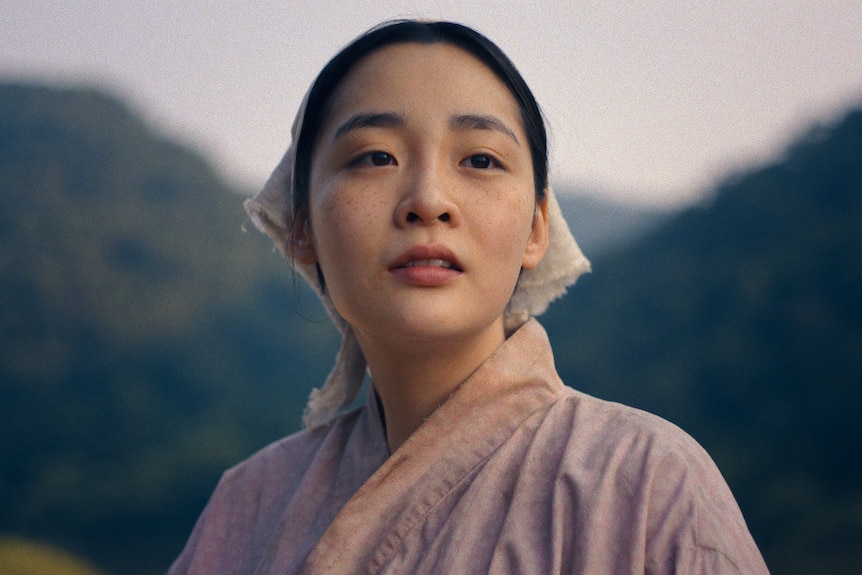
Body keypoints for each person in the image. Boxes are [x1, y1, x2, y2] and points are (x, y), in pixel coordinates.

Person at [168, 20, 769, 574]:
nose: (428, 199)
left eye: (480, 159)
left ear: (538, 228)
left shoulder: (644, 483)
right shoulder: (248, 504)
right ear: (301, 230)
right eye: (375, 156)